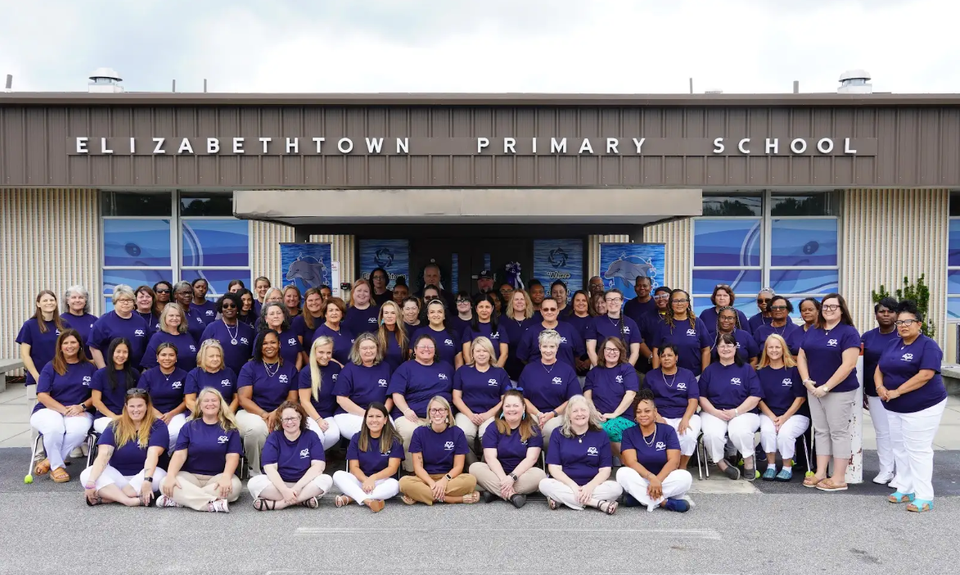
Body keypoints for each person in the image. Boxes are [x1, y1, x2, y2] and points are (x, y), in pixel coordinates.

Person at [876, 301, 948, 513]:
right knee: (899, 447)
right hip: (893, 406)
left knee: (918, 450)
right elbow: (879, 368)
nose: (903, 326)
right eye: (899, 322)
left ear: (919, 324)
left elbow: (925, 375)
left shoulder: (928, 346)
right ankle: (905, 487)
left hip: (923, 406)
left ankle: (924, 495)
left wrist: (897, 391)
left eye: (908, 322)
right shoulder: (893, 344)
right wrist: (880, 386)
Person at [797, 293, 860, 492]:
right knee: (821, 431)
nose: (829, 310)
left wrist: (826, 387)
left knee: (838, 432)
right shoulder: (814, 330)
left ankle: (839, 478)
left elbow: (849, 364)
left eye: (833, 306)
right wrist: (807, 381)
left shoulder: (848, 332)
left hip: (838, 391)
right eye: (825, 306)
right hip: (813, 390)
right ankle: (821, 472)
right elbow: (801, 356)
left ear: (842, 309)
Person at [156, 388, 242, 512]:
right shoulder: (188, 427)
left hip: (217, 477)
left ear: (220, 404)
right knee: (165, 482)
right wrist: (170, 475)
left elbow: (233, 457)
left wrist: (226, 477)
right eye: (206, 401)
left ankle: (181, 499)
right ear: (200, 405)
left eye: (214, 400)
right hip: (190, 476)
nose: (210, 403)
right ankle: (210, 504)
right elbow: (179, 454)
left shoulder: (230, 428)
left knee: (234, 487)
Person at [80, 389, 167, 507]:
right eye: (132, 406)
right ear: (126, 406)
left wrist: (147, 480)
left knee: (159, 475)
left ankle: (110, 497)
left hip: (143, 477)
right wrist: (90, 483)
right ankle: (130, 500)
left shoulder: (158, 425)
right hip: (118, 477)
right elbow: (104, 455)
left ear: (147, 406)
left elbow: (153, 455)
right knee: (87, 474)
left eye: (140, 406)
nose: (136, 410)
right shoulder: (115, 424)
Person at [29, 330, 96, 483]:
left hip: (79, 410)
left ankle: (49, 462)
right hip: (49, 410)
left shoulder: (90, 367)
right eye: (65, 343)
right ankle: (57, 466)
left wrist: (82, 406)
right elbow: (42, 395)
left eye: (73, 342)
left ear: (80, 345)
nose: (69, 346)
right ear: (60, 347)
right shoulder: (51, 366)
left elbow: (97, 395)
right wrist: (64, 410)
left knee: (79, 431)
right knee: (54, 428)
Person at [538, 394, 622, 513]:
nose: (579, 414)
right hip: (566, 484)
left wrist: (589, 487)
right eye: (575, 411)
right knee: (544, 484)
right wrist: (573, 486)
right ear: (569, 415)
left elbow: (605, 470)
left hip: (593, 486)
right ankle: (597, 503)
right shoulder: (558, 434)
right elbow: (554, 468)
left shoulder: (600, 434)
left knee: (616, 489)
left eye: (583, 410)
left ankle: (563, 499)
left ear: (589, 412)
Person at [699, 333, 764, 481]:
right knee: (712, 435)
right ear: (717, 349)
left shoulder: (746, 369)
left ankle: (748, 460)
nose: (725, 349)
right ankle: (721, 464)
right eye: (722, 346)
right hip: (713, 412)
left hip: (743, 412)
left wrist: (736, 411)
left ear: (735, 348)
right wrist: (715, 412)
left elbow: (755, 396)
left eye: (729, 345)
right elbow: (701, 397)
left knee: (740, 432)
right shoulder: (709, 370)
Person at [617, 389, 694, 512]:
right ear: (635, 416)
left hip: (664, 479)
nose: (643, 415)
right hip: (641, 478)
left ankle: (639, 499)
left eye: (647, 411)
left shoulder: (667, 430)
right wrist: (651, 478)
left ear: (655, 412)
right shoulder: (628, 433)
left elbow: (674, 461)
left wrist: (657, 480)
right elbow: (631, 462)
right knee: (622, 473)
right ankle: (664, 502)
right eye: (639, 412)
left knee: (685, 477)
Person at [246, 401, 333, 510]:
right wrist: (284, 490)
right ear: (280, 421)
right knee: (254, 483)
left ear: (300, 418)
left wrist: (296, 488)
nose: (290, 422)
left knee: (326, 480)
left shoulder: (311, 436)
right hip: (278, 484)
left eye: (293, 418)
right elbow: (270, 468)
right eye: (286, 419)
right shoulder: (274, 437)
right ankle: (302, 500)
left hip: (304, 484)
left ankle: (280, 504)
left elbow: (318, 467)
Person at [236, 330, 299, 475]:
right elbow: (244, 399)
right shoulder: (249, 367)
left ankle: (284, 471)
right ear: (259, 346)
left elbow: (292, 399)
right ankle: (255, 471)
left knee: (294, 426)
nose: (269, 346)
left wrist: (276, 413)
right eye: (264, 343)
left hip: (282, 411)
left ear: (279, 344)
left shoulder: (289, 368)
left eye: (272, 342)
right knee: (256, 430)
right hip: (251, 412)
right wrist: (265, 414)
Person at [469, 389, 545, 508]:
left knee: (539, 475)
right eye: (508, 406)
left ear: (524, 407)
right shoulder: (493, 427)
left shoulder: (532, 428)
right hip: (497, 473)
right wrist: (505, 479)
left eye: (515, 405)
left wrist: (512, 477)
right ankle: (512, 495)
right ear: (503, 408)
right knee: (475, 468)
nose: (511, 409)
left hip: (522, 475)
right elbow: (490, 458)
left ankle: (495, 492)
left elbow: (531, 459)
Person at [389, 334, 455, 471]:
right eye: (422, 346)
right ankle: (412, 472)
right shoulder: (405, 368)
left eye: (430, 346)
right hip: (412, 415)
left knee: (457, 432)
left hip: (441, 416)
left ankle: (444, 472)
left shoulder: (446, 367)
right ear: (414, 350)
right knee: (409, 432)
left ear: (435, 350)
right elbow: (396, 394)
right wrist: (406, 410)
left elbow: (456, 392)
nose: (426, 349)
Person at [398, 396, 480, 505]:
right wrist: (432, 483)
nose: (437, 413)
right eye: (434, 410)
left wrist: (444, 481)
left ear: (447, 412)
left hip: (449, 478)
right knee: (404, 483)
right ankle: (454, 499)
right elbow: (418, 468)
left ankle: (420, 496)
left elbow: (458, 467)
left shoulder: (457, 433)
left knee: (470, 480)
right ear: (429, 413)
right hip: (426, 478)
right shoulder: (419, 433)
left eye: (441, 409)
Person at [757, 334, 810, 482]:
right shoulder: (760, 372)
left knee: (785, 433)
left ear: (783, 349)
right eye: (771, 347)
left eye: (777, 347)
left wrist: (784, 418)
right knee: (767, 431)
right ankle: (771, 466)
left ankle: (787, 467)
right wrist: (773, 417)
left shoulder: (794, 370)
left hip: (795, 415)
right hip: (769, 414)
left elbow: (800, 398)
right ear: (766, 350)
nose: (774, 350)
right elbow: (758, 399)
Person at [333, 402, 403, 512]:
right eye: (370, 416)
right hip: (360, 479)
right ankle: (368, 501)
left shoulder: (394, 440)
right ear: (365, 419)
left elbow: (392, 468)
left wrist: (372, 478)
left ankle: (352, 497)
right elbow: (354, 467)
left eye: (378, 416)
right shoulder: (357, 438)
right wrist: (366, 480)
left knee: (395, 485)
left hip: (381, 481)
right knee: (338, 475)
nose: (374, 420)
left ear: (385, 420)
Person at [861, 297, 900, 485]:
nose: (886, 315)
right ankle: (886, 470)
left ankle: (902, 473)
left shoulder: (904, 335)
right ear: (876, 314)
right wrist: (861, 392)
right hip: (875, 392)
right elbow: (860, 365)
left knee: (900, 433)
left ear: (896, 315)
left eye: (890, 311)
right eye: (882, 311)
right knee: (883, 432)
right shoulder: (867, 337)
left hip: (901, 393)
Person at [518, 330, 580, 448]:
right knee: (529, 429)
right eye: (545, 346)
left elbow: (573, 399)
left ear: (557, 348)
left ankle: (549, 461)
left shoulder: (567, 370)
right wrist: (539, 414)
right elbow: (521, 397)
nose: (548, 350)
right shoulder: (529, 369)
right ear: (540, 347)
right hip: (533, 413)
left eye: (552, 346)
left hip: (558, 415)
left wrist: (552, 414)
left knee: (549, 430)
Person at [642, 345, 700, 470]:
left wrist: (685, 419)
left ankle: (682, 466)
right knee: (662, 436)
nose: (666, 358)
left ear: (676, 358)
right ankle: (669, 466)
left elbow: (693, 400)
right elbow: (646, 401)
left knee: (688, 436)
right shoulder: (651, 376)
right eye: (663, 356)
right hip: (660, 416)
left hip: (685, 415)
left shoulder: (687, 375)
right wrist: (656, 417)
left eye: (670, 355)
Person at [453, 336, 510, 461]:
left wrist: (487, 415)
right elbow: (456, 398)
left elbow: (505, 400)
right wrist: (471, 415)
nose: (481, 354)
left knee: (488, 435)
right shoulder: (463, 371)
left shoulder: (500, 372)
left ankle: (485, 465)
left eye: (485, 351)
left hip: (491, 414)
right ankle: (472, 465)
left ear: (490, 353)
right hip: (466, 413)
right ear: (472, 353)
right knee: (462, 433)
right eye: (478, 351)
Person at [584, 337, 640, 458]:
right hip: (598, 417)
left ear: (621, 352)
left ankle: (630, 463)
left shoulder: (627, 369)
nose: (611, 352)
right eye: (608, 349)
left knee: (608, 428)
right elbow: (587, 397)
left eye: (615, 350)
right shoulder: (593, 373)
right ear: (602, 351)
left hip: (624, 418)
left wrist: (614, 414)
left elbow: (631, 395)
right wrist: (594, 413)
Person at [333, 333, 394, 440]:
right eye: (364, 348)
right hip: (351, 414)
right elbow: (341, 399)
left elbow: (391, 396)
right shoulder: (349, 369)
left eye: (372, 347)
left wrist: (382, 414)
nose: (368, 351)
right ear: (357, 349)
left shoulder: (385, 367)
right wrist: (367, 415)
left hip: (380, 413)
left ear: (377, 349)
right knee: (369, 433)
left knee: (390, 433)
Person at [137, 342, 188, 452]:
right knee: (149, 435)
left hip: (175, 413)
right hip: (151, 412)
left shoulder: (184, 375)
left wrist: (171, 414)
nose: (167, 358)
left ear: (176, 358)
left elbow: (186, 400)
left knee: (177, 431)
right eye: (163, 355)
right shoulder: (147, 375)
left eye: (171, 355)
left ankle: (166, 457)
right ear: (157, 357)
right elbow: (141, 399)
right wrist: (158, 415)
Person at [651, 289, 711, 377]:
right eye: (675, 301)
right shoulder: (663, 324)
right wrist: (655, 374)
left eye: (682, 300)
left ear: (687, 303)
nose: (679, 304)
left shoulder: (697, 323)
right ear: (671, 304)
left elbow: (706, 350)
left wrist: (704, 375)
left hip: (695, 376)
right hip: (668, 376)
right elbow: (656, 352)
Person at [298, 336, 343, 450]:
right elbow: (304, 401)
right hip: (310, 415)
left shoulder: (335, 367)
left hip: (329, 414)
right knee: (317, 436)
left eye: (329, 352)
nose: (325, 356)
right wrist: (318, 420)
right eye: (321, 352)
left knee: (333, 435)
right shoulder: (306, 372)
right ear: (314, 352)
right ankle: (310, 460)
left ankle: (311, 456)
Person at [89, 285, 149, 369]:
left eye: (129, 300)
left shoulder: (141, 321)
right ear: (115, 302)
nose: (126, 303)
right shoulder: (103, 322)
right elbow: (94, 347)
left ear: (134, 302)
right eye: (122, 300)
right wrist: (103, 370)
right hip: (111, 373)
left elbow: (147, 346)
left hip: (136, 373)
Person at [517, 296, 584, 369]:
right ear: (541, 311)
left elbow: (578, 353)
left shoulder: (569, 329)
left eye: (552, 309)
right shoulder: (531, 331)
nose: (549, 312)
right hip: (539, 377)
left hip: (565, 377)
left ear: (558, 311)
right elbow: (522, 357)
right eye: (546, 309)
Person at [18, 290, 67, 390]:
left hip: (61, 378)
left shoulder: (64, 325)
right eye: (45, 300)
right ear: (38, 304)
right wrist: (37, 377)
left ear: (56, 302)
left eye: (52, 300)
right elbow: (25, 355)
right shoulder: (30, 325)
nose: (49, 303)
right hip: (37, 379)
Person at [90, 338, 140, 433]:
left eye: (125, 352)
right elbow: (96, 401)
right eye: (118, 352)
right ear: (112, 352)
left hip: (131, 416)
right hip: (105, 417)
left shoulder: (135, 374)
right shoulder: (100, 374)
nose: (121, 355)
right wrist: (114, 417)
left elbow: (140, 398)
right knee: (119, 431)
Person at [199, 293, 255, 376]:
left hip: (242, 376)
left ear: (238, 307)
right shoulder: (211, 328)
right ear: (221, 309)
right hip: (217, 376)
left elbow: (252, 357)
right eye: (225, 306)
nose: (229, 308)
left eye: (233, 306)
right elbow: (201, 354)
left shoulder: (248, 330)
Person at [585, 289, 645, 367]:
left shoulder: (631, 323)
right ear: (605, 302)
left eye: (616, 299)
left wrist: (627, 370)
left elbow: (635, 352)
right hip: (600, 368)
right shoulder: (595, 322)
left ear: (622, 301)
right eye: (609, 299)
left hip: (624, 370)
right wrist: (599, 370)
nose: (612, 302)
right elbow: (590, 350)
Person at [185, 339, 239, 413]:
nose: (215, 359)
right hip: (200, 416)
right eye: (211, 356)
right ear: (202, 357)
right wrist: (208, 416)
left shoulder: (229, 372)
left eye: (218, 356)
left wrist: (227, 414)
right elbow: (189, 402)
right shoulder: (194, 374)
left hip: (226, 415)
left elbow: (236, 398)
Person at [142, 303, 198, 372]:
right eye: (171, 315)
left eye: (178, 316)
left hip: (189, 380)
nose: (174, 318)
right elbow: (149, 366)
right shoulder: (157, 338)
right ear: (164, 317)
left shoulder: (188, 336)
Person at [461, 294, 509, 366]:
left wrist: (496, 372)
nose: (484, 310)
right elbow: (466, 354)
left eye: (487, 307)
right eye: (481, 307)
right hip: (474, 371)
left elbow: (504, 354)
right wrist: (472, 371)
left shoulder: (500, 328)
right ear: (476, 308)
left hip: (495, 371)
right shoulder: (469, 329)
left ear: (492, 308)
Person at [410, 299, 461, 367]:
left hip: (448, 376)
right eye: (432, 312)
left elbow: (459, 362)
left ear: (444, 315)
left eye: (439, 312)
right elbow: (411, 359)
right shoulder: (419, 333)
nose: (436, 315)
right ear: (427, 315)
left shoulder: (453, 334)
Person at [257, 302, 303, 371]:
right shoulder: (261, 336)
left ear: (283, 316)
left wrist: (295, 373)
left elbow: (299, 355)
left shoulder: (291, 333)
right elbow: (257, 360)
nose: (276, 316)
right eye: (272, 314)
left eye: (278, 313)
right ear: (266, 318)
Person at [502, 290, 534, 381]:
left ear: (527, 302)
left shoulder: (535, 321)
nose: (519, 302)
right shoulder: (503, 321)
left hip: (530, 372)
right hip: (508, 372)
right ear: (511, 302)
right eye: (516, 299)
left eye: (522, 299)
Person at [313, 297, 354, 365]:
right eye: (331, 310)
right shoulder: (321, 333)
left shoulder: (346, 329)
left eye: (337, 310)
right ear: (325, 314)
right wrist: (342, 368)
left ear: (342, 313)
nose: (334, 313)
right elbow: (321, 357)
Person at [62, 284, 99, 357]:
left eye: (81, 297)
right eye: (73, 297)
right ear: (67, 301)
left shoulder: (95, 321)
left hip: (92, 365)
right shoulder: (60, 321)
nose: (77, 300)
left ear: (86, 301)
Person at [377, 300, 408, 373]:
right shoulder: (375, 336)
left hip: (400, 376)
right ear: (382, 316)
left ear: (398, 315)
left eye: (393, 313)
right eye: (386, 313)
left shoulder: (405, 335)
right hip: (381, 378)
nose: (389, 316)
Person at [291, 287, 325, 354]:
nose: (314, 303)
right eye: (310, 300)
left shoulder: (327, 318)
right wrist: (310, 363)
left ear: (322, 300)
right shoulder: (299, 321)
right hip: (308, 361)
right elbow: (299, 348)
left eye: (317, 299)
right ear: (306, 302)